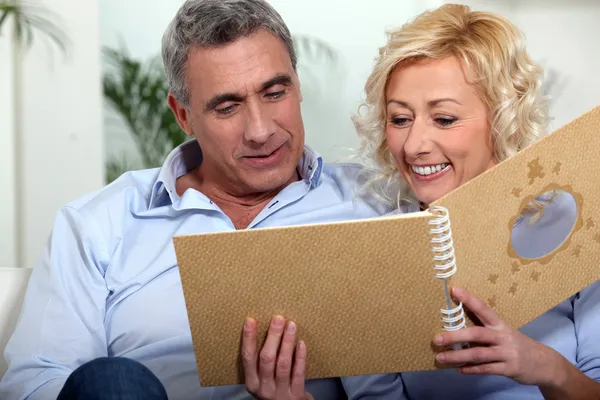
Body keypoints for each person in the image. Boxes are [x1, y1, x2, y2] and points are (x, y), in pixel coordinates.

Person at [0, 1, 406, 399]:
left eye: (274, 93)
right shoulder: (99, 223)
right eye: (227, 107)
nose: (260, 130)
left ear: (296, 86)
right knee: (113, 382)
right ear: (183, 115)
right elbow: (35, 380)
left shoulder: (377, 201)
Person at [243, 3, 600, 400]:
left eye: (444, 119)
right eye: (400, 119)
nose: (413, 146)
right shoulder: (375, 247)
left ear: (502, 118)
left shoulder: (576, 219)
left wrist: (542, 366)